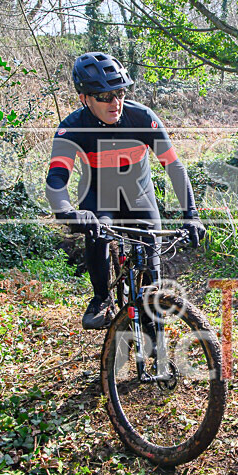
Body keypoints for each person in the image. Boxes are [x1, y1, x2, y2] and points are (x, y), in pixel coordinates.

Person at [45, 52, 205, 330]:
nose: (115, 102)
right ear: (84, 98)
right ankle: (102, 298)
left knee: (152, 269)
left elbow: (174, 167)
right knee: (96, 232)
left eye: (119, 93)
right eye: (104, 96)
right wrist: (67, 211)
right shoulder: (71, 129)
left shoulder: (141, 117)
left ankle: (155, 338)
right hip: (99, 199)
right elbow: (57, 177)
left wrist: (191, 213)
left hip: (140, 197)